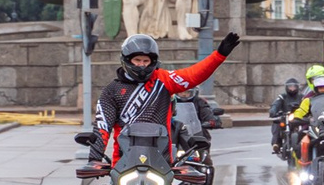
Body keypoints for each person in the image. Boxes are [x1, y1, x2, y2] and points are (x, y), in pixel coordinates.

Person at [92, 31, 239, 165]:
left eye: (146, 61)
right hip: (123, 162)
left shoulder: (163, 79)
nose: (142, 65)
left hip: (161, 162)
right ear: (127, 60)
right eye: (137, 60)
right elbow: (102, 126)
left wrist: (219, 55)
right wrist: (94, 159)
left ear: (153, 62)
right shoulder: (111, 91)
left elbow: (193, 74)